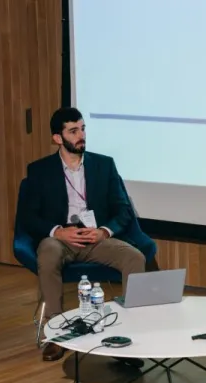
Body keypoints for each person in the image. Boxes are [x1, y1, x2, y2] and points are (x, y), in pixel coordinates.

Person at [19, 107, 146, 362]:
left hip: (94, 237)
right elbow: (28, 217)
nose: (81, 136)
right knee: (48, 253)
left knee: (135, 258)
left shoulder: (104, 165)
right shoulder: (40, 170)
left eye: (83, 129)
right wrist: (58, 232)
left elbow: (123, 210)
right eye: (73, 131)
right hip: (61, 238)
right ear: (58, 137)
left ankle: (130, 333)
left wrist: (104, 231)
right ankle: (56, 333)